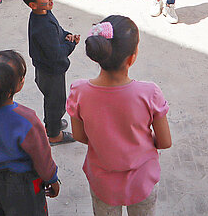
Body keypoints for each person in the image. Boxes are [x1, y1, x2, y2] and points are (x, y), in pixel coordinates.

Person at [67, 15, 172, 216]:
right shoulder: (149, 92)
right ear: (132, 58)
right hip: (142, 181)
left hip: (102, 183)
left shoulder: (78, 91)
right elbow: (165, 141)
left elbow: (80, 136)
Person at [0, 50, 61, 216]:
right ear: (13, 88)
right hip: (22, 183)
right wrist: (52, 178)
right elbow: (42, 156)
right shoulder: (26, 120)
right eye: (21, 77)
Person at [18, 0, 78, 145]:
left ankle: (53, 124)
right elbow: (57, 54)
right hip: (51, 71)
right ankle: (54, 134)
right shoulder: (42, 26)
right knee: (56, 103)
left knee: (53, 101)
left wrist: (66, 34)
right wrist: (71, 43)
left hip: (46, 68)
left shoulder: (43, 13)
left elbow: (57, 30)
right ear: (33, 5)